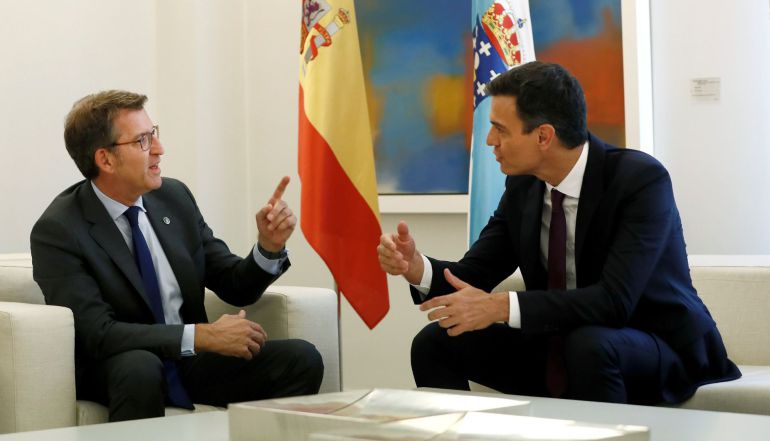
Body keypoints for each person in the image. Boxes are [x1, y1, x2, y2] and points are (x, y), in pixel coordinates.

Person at [377, 62, 740, 404]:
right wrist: (417, 268)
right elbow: (473, 276)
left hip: (655, 343)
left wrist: (500, 306)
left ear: (543, 136)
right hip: (564, 342)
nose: (489, 141)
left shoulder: (639, 181)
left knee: (589, 346)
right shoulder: (523, 187)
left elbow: (614, 302)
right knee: (435, 342)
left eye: (500, 129)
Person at [30, 90, 323, 422]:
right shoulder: (59, 230)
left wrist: (268, 247)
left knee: (301, 359)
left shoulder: (174, 197)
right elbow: (98, 333)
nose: (159, 148)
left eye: (153, 133)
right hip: (119, 363)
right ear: (105, 160)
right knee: (140, 367)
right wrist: (200, 336)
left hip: (189, 361)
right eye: (142, 141)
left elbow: (234, 285)